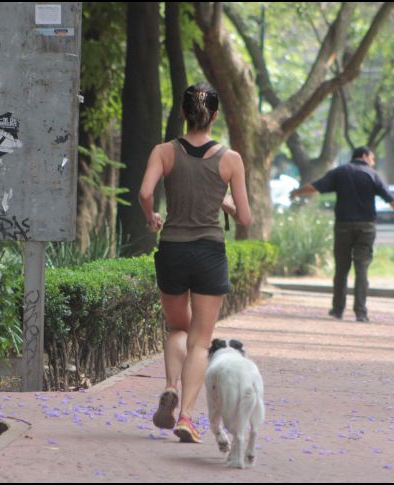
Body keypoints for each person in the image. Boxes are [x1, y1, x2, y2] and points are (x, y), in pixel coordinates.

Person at [138, 82, 251, 443]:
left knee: (178, 330)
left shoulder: (164, 151)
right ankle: (186, 415)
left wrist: (151, 216)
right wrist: (227, 204)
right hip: (208, 253)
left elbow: (144, 192)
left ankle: (170, 386)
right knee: (201, 343)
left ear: (184, 113)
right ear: (214, 116)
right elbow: (246, 219)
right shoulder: (230, 159)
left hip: (172, 249)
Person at [289, 147, 394, 322]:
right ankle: (361, 312)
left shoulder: (340, 172)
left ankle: (338, 309)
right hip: (366, 228)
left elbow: (316, 186)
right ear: (365, 156)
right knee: (362, 269)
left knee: (341, 269)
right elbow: (390, 198)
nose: (373, 161)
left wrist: (296, 192)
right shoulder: (373, 175)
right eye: (372, 158)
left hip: (343, 226)